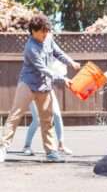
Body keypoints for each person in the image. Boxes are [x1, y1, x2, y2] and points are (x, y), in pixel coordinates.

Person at [0, 14, 80, 162]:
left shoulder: (48, 38)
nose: (45, 34)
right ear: (33, 31)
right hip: (28, 84)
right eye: (42, 31)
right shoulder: (31, 47)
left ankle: (51, 152)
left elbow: (58, 53)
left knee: (47, 119)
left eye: (47, 30)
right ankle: (2, 148)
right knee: (15, 116)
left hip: (44, 86)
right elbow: (44, 69)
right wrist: (63, 79)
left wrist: (71, 62)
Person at [22, 90, 72, 156]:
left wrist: (63, 79)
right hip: (32, 89)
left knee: (56, 115)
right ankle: (27, 146)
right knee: (37, 119)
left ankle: (61, 146)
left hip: (48, 89)